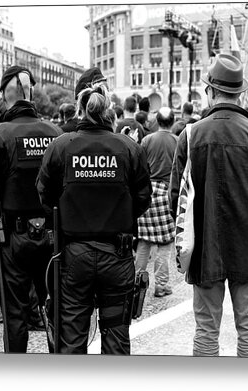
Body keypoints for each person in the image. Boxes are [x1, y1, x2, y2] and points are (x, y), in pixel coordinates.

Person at [170, 54, 248, 357]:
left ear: (210, 90)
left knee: (206, 329)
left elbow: (175, 199)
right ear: (241, 92)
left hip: (205, 247)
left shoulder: (191, 135)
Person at [36, 79, 152, 355]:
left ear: (80, 111)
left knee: (73, 338)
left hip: (74, 254)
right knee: (116, 339)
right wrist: (121, 214)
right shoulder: (128, 148)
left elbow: (44, 194)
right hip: (117, 253)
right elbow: (143, 198)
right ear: (108, 113)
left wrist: (66, 215)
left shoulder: (62, 146)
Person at [0, 65, 62, 353]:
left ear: (4, 93)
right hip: (52, 238)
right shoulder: (56, 134)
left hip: (12, 239)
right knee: (55, 310)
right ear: (32, 92)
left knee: (15, 317)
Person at [136, 107, 178, 298]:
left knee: (144, 241)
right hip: (166, 193)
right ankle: (161, 285)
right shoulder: (177, 141)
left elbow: (140, 166)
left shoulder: (146, 140)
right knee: (165, 243)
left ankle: (136, 282)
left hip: (147, 192)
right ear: (172, 121)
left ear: (157, 121)